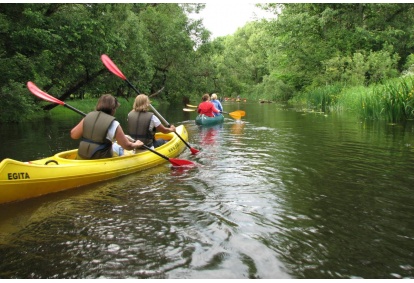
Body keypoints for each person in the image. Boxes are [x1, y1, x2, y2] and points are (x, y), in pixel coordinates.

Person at [70, 94, 143, 159]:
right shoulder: (114, 123)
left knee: (114, 145)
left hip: (82, 156)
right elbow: (127, 146)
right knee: (120, 149)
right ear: (113, 109)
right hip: (100, 158)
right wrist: (137, 144)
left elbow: (74, 135)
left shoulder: (87, 117)